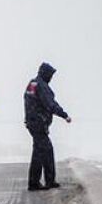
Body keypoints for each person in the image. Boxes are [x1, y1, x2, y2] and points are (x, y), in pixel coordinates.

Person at [24, 62, 71, 191]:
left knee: (38, 152)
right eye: (50, 75)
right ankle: (48, 181)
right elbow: (50, 104)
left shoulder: (33, 83)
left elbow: (29, 102)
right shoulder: (42, 86)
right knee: (47, 150)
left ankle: (34, 182)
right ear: (46, 74)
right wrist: (64, 115)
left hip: (32, 122)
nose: (51, 78)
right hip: (38, 123)